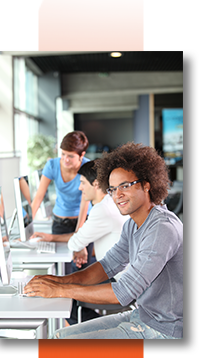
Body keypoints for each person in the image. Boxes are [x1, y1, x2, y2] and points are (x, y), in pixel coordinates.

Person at [24, 142, 183, 339]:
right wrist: (59, 280)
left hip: (165, 329)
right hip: (142, 315)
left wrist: (60, 289)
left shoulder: (161, 228)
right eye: (113, 189)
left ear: (147, 184)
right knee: (60, 336)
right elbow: (107, 265)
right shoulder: (133, 224)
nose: (118, 195)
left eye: (125, 186)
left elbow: (124, 292)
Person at [31, 160, 128, 324]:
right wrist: (54, 238)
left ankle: (103, 332)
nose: (80, 188)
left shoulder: (103, 209)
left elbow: (75, 242)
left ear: (95, 184)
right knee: (66, 282)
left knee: (63, 299)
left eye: (82, 183)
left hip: (118, 279)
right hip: (114, 271)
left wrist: (80, 244)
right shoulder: (108, 204)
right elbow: (79, 238)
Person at [31, 131, 93, 272]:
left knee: (82, 270)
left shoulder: (88, 167)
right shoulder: (52, 165)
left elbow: (85, 203)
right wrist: (27, 225)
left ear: (81, 155)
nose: (65, 159)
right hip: (60, 223)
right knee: (62, 270)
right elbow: (39, 196)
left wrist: (80, 240)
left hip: (83, 222)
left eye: (70, 156)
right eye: (63, 154)